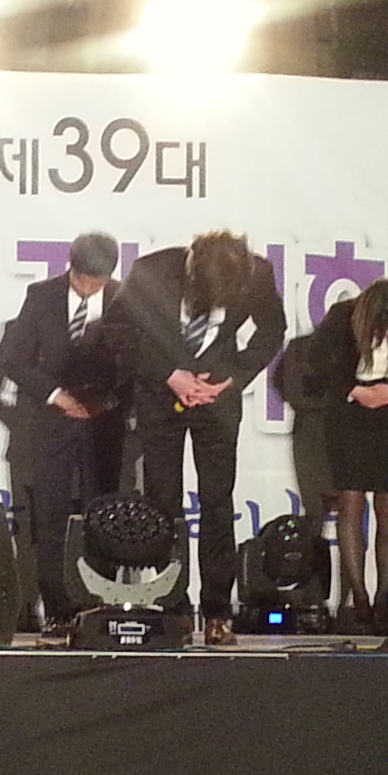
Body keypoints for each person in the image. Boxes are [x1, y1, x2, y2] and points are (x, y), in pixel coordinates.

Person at [115, 229, 287, 643]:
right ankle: (173, 607)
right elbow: (117, 331)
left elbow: (272, 330)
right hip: (160, 397)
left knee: (217, 502)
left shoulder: (257, 273)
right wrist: (169, 375)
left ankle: (217, 612)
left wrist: (233, 376)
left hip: (216, 399)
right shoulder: (151, 271)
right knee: (164, 502)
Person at [0, 232, 128, 631]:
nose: (89, 288)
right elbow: (14, 361)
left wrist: (104, 402)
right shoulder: (41, 296)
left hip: (103, 428)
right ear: (70, 267)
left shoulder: (124, 299)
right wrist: (54, 395)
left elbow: (135, 364)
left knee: (104, 517)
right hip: (49, 425)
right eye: (83, 280)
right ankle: (58, 611)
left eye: (98, 282)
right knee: (50, 521)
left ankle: (99, 605)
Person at [296, 277, 388, 631]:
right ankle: (359, 598)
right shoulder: (343, 315)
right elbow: (315, 357)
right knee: (350, 503)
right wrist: (352, 390)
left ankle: (383, 598)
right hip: (349, 413)